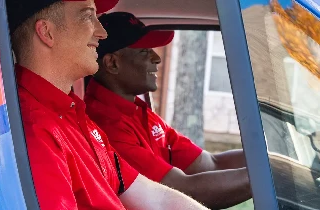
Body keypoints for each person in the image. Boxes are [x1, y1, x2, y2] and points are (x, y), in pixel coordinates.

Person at [6, 0, 209, 209]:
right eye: (87, 16)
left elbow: (157, 199)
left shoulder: (73, 115)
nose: (102, 32)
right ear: (47, 32)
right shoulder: (32, 131)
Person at [84, 11, 252, 209]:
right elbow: (182, 191)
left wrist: (273, 163)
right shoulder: (106, 125)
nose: (156, 58)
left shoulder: (137, 112)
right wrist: (266, 174)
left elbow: (211, 163)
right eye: (144, 51)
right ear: (112, 63)